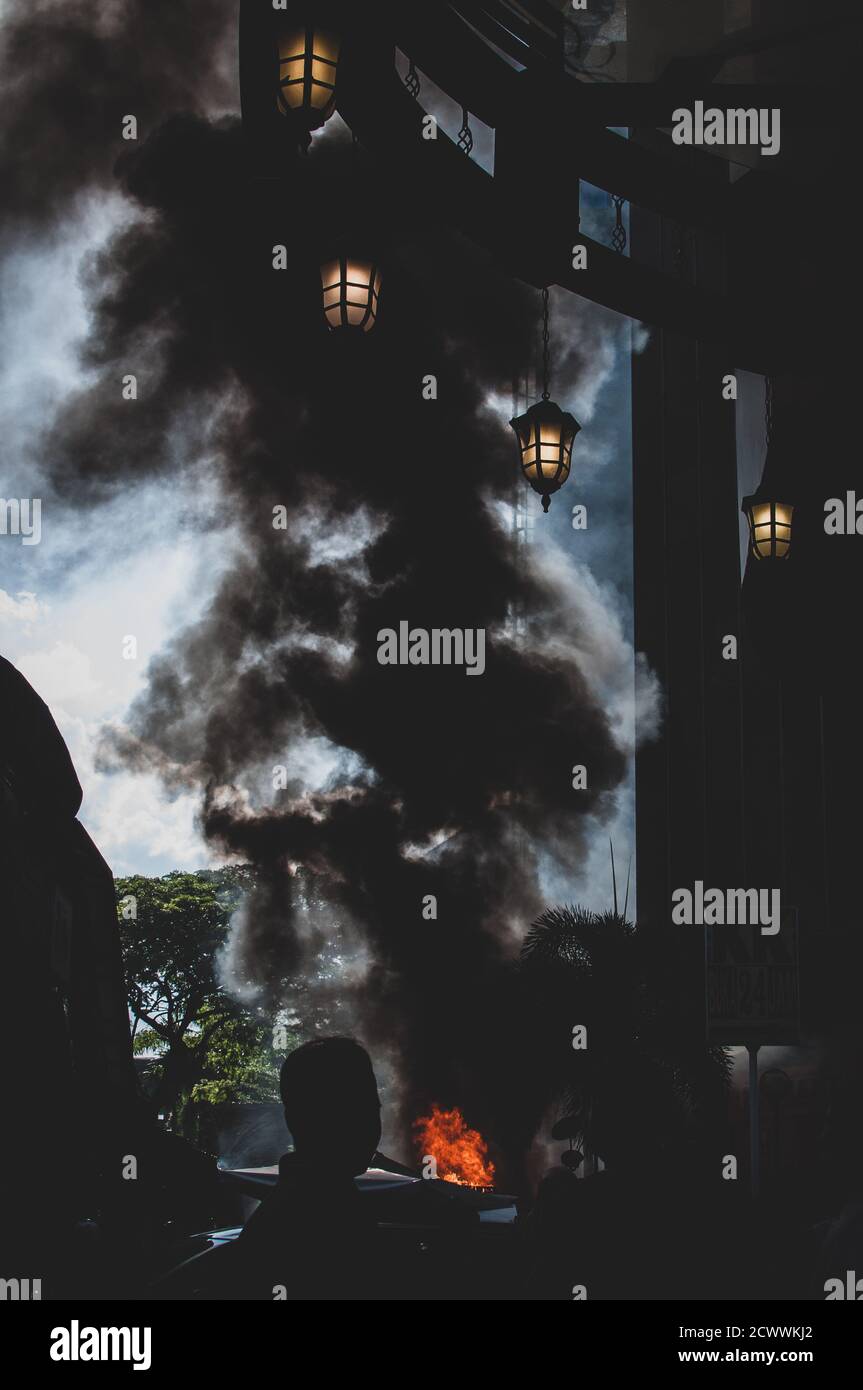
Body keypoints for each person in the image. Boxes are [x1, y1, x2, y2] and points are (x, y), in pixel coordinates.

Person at [233, 1036, 383, 1300]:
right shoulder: (311, 1221)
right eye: (348, 1111)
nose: (368, 1125)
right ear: (297, 1120)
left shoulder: (334, 1204)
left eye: (372, 1109)